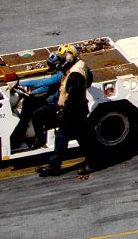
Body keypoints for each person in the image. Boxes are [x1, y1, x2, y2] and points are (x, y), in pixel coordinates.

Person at [38, 45, 95, 177]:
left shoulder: (75, 74)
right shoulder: (80, 66)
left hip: (74, 112)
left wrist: (64, 112)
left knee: (70, 138)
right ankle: (55, 166)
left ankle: (56, 167)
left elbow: (73, 97)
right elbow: (90, 80)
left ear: (68, 58)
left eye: (60, 59)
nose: (58, 63)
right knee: (74, 138)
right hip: (75, 110)